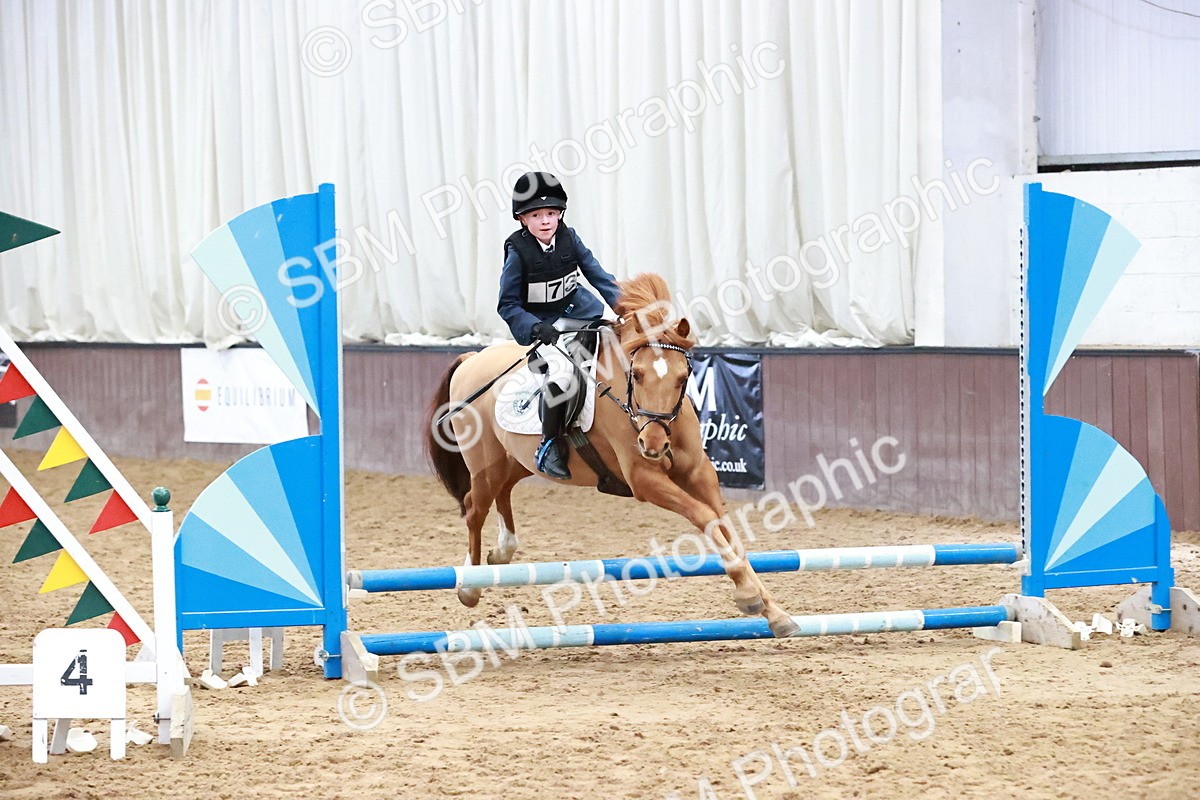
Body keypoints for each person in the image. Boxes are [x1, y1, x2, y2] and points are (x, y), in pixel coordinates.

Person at [498, 171, 621, 480]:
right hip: (547, 328)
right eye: (536, 215)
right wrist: (535, 327)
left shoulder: (569, 237)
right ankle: (549, 443)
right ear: (523, 219)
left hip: (582, 315)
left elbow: (598, 276)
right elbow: (507, 305)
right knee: (563, 376)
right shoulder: (517, 252)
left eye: (551, 213)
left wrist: (625, 307)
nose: (545, 221)